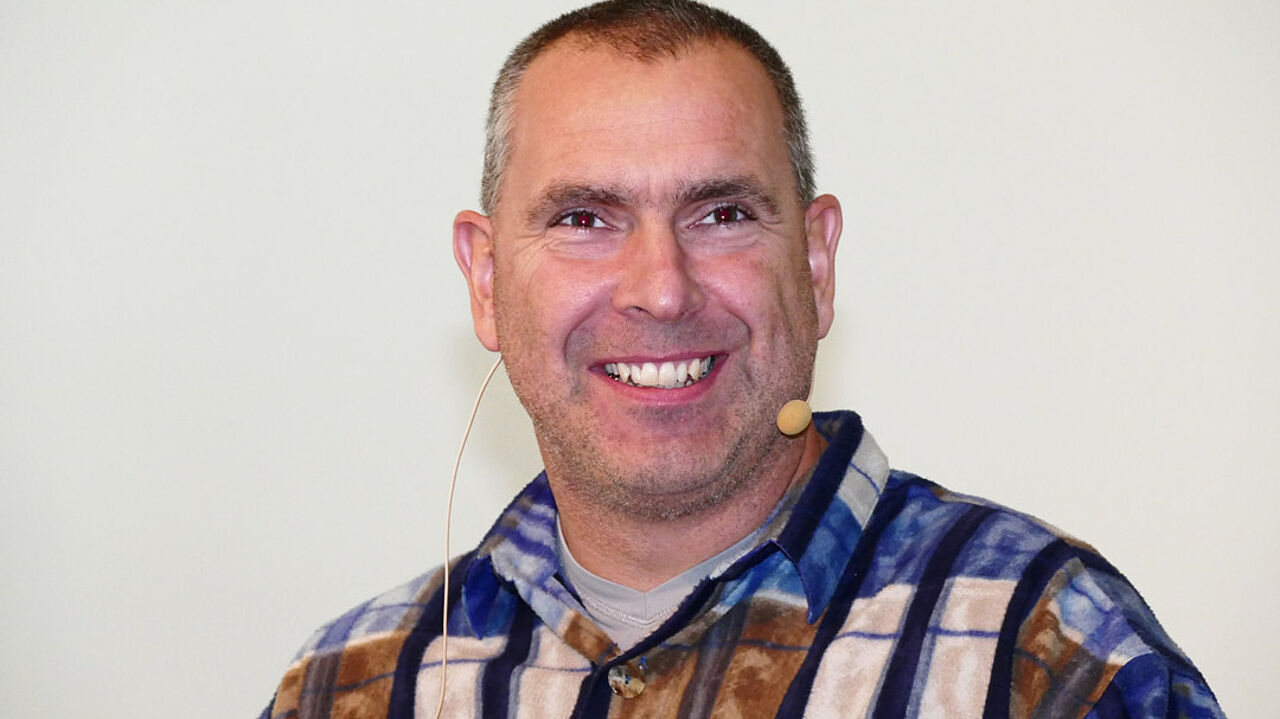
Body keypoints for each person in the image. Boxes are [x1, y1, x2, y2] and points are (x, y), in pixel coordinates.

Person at [262, 1, 1224, 716]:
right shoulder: (354, 683)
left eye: (721, 214)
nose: (661, 289)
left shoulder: (1046, 651)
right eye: (584, 219)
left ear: (816, 262)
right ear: (484, 278)